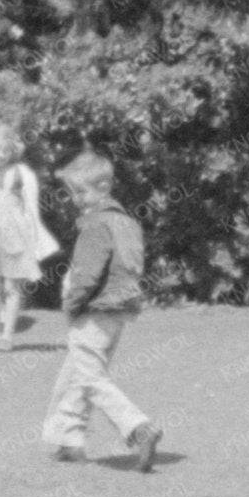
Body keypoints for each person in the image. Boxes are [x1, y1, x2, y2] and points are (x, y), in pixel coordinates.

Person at [41, 151, 160, 470]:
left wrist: (71, 304)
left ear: (105, 185)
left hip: (94, 309)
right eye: (72, 192)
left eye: (81, 192)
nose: (76, 199)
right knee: (75, 375)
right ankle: (67, 439)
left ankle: (137, 427)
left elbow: (86, 273)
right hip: (119, 310)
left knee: (91, 378)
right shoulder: (127, 223)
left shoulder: (96, 225)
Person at [0, 121, 53, 350]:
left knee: (12, 287)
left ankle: (7, 335)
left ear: (12, 152)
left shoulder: (20, 173)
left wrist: (32, 237)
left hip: (13, 236)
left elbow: (30, 207)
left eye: (5, 150)